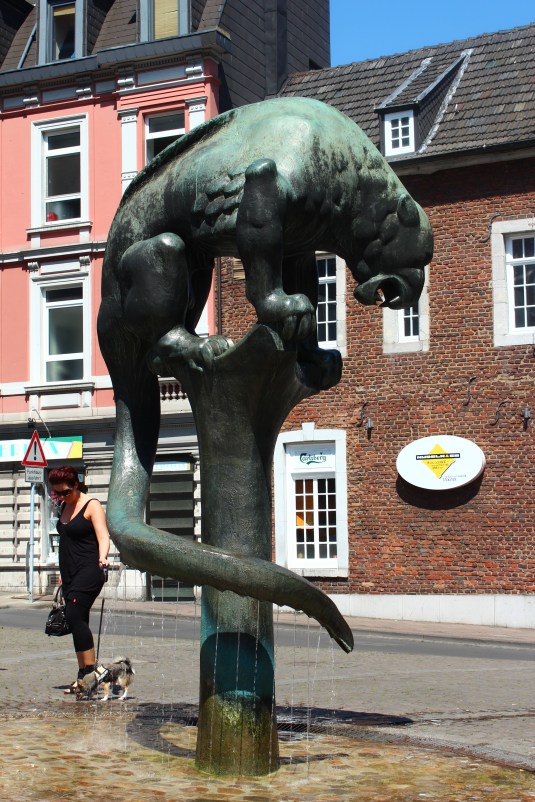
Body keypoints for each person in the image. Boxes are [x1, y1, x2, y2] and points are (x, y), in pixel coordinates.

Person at [48, 466, 110, 693]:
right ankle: (84, 675)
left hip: (90, 570)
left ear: (76, 484)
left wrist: (103, 557)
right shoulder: (64, 506)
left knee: (74, 615)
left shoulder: (91, 504)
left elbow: (103, 536)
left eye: (65, 492)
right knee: (77, 621)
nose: (62, 497)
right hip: (69, 574)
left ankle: (91, 674)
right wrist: (63, 575)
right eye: (57, 493)